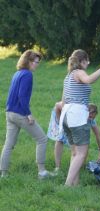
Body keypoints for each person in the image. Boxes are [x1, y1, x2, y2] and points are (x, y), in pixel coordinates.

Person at [60, 49, 100, 186]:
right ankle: (67, 185)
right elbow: (89, 79)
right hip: (77, 116)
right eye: (87, 61)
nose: (88, 63)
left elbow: (63, 100)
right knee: (82, 154)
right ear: (82, 61)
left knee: (75, 153)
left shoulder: (68, 76)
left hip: (66, 116)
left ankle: (75, 184)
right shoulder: (79, 72)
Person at [0, 50, 53, 179]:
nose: (37, 64)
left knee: (9, 144)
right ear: (28, 61)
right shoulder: (27, 75)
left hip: (9, 113)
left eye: (38, 62)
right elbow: (22, 96)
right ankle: (42, 172)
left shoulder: (17, 73)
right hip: (19, 113)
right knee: (42, 139)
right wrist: (28, 114)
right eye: (36, 62)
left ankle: (3, 174)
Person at [47, 101, 100, 173]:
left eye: (93, 118)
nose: (91, 119)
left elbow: (98, 135)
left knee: (83, 142)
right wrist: (60, 123)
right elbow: (57, 105)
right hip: (61, 114)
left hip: (73, 120)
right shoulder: (76, 114)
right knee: (60, 138)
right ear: (87, 112)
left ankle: (79, 165)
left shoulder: (91, 119)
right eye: (90, 117)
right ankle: (57, 167)